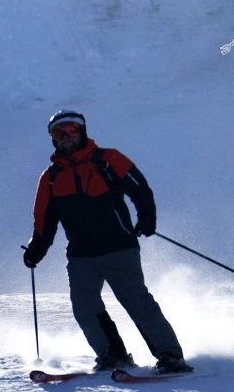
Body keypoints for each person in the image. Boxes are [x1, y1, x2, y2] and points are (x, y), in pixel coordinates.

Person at [22, 109, 192, 374]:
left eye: (71, 131)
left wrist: (147, 218)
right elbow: (44, 219)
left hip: (118, 246)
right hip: (81, 254)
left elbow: (140, 188)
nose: (66, 137)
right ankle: (113, 355)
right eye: (59, 133)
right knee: (84, 306)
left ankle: (170, 356)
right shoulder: (52, 177)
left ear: (82, 132)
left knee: (136, 300)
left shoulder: (107, 160)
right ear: (53, 139)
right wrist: (36, 249)